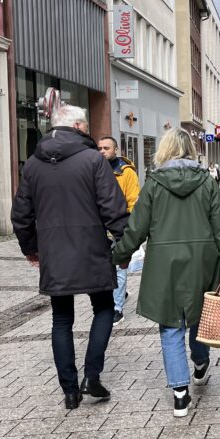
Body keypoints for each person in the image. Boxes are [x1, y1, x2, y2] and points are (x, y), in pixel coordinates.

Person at [111, 128, 220, 418]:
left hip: (164, 263)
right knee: (198, 316)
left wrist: (120, 254)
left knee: (170, 324)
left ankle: (180, 394)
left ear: (164, 150)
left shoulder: (154, 184)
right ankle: (201, 361)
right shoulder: (207, 182)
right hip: (202, 261)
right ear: (191, 150)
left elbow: (137, 227)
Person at [11, 105, 130, 409]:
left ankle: (69, 390)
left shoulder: (33, 165)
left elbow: (21, 214)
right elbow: (113, 208)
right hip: (91, 248)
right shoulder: (93, 160)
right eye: (86, 125)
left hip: (54, 252)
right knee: (104, 307)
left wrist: (31, 249)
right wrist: (124, 244)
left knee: (61, 319)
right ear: (78, 127)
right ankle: (92, 375)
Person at [97, 136, 141, 324]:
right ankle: (119, 294)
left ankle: (117, 308)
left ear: (115, 150)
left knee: (118, 268)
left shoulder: (126, 172)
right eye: (99, 148)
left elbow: (133, 201)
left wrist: (128, 226)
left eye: (106, 148)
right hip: (98, 228)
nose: (102, 151)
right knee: (104, 268)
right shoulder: (94, 169)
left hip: (118, 227)